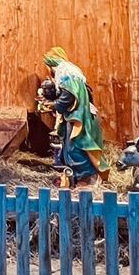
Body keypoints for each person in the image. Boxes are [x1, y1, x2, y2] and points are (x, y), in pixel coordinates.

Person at [44, 46, 109, 183]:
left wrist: (54, 105)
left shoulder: (64, 71)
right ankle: (77, 177)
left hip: (78, 117)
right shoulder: (72, 70)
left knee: (76, 147)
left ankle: (84, 178)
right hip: (78, 114)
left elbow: (68, 96)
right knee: (72, 147)